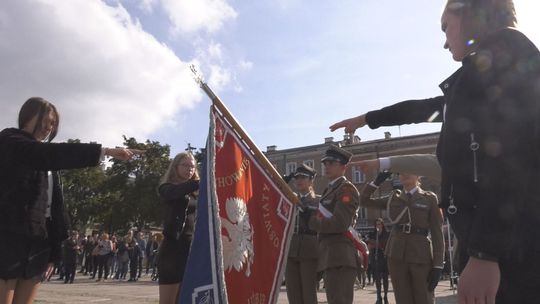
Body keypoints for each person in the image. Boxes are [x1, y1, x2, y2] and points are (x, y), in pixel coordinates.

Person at [330, 1, 540, 302]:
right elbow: (426, 108)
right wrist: (368, 119)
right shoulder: (490, 70)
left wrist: (485, 253)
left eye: (446, 26)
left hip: (511, 254)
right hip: (503, 248)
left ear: (472, 14)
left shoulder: (504, 64)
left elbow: (514, 162)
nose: (444, 42)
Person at [0, 97, 142, 304]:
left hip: (38, 244)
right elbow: (45, 154)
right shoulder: (10, 141)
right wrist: (105, 151)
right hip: (8, 239)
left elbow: (54, 209)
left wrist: (53, 253)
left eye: (53, 124)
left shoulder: (48, 162)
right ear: (29, 116)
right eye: (46, 121)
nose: (49, 128)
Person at [362, 173, 444, 304]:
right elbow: (363, 201)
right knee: (402, 299)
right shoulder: (393, 198)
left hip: (420, 255)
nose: (405, 174)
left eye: (409, 171)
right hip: (396, 255)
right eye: (401, 172)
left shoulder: (429, 199)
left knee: (424, 298)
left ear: (418, 175)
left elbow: (437, 233)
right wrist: (376, 182)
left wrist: (438, 264)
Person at [308, 145, 360, 304]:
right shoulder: (329, 190)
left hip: (340, 256)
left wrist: (310, 221)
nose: (327, 166)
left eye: (332, 163)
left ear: (343, 166)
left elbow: (340, 223)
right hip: (330, 255)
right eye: (325, 163)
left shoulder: (346, 189)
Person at [157, 152, 199, 304]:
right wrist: (200, 182)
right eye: (185, 165)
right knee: (168, 301)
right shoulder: (166, 188)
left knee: (184, 299)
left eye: (192, 166)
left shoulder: (196, 192)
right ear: (175, 167)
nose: (189, 169)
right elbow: (175, 193)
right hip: (173, 249)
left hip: (191, 248)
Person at [284, 164, 320, 304]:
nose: (298, 180)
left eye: (303, 177)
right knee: (293, 293)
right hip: (291, 249)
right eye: (296, 178)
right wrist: (282, 180)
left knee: (308, 293)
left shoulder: (319, 200)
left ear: (311, 180)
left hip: (309, 250)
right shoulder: (289, 199)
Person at [366, 219, 390, 304]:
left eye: (379, 224)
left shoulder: (387, 234)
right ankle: (379, 297)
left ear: (382, 225)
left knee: (385, 279)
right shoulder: (373, 234)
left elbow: (389, 245)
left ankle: (386, 297)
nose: (378, 226)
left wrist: (380, 245)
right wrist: (372, 245)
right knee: (377, 279)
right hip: (375, 258)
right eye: (376, 224)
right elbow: (369, 246)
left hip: (384, 258)